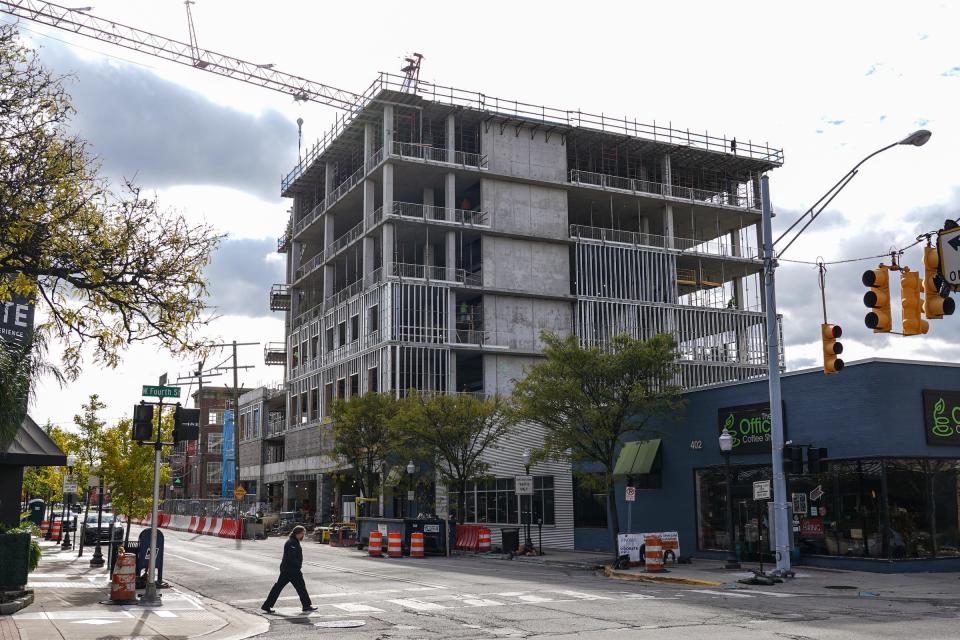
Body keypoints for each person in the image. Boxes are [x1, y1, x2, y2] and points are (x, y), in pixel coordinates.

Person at [261, 526, 317, 614]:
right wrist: (297, 567)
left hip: (287, 570)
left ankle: (266, 605)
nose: (303, 535)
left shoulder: (293, 541)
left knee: (279, 588)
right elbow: (292, 557)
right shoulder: (292, 543)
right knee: (300, 587)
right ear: (297, 533)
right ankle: (306, 606)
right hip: (291, 570)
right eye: (303, 533)